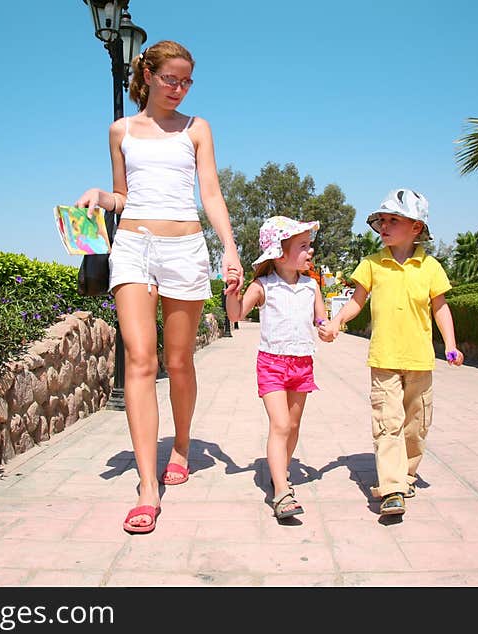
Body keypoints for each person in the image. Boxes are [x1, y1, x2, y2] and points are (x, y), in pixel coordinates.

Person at [75, 40, 243, 534]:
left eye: (187, 81)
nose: (179, 88)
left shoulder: (197, 129)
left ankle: (184, 445)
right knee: (141, 360)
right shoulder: (120, 130)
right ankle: (148, 486)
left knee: (178, 362)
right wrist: (100, 195)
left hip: (185, 248)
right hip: (133, 248)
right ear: (146, 75)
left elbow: (209, 191)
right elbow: (122, 194)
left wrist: (229, 249)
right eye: (170, 78)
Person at [319, 189, 463, 517]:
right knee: (388, 422)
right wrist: (336, 321)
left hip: (420, 360)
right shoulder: (372, 264)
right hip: (383, 359)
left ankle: (407, 473)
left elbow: (440, 308)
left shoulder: (430, 267)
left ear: (416, 228)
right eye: (381, 220)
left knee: (417, 425)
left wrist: (451, 345)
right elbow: (356, 301)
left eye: (393, 220)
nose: (384, 226)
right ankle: (392, 487)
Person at [224, 216, 330, 520]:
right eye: (303, 246)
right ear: (279, 253)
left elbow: (320, 320)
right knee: (280, 425)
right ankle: (282, 493)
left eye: (310, 246)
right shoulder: (263, 285)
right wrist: (233, 292)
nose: (311, 252)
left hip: (302, 363)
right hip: (272, 363)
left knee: (293, 427)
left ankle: (279, 470)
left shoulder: (312, 286)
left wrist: (327, 328)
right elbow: (236, 315)